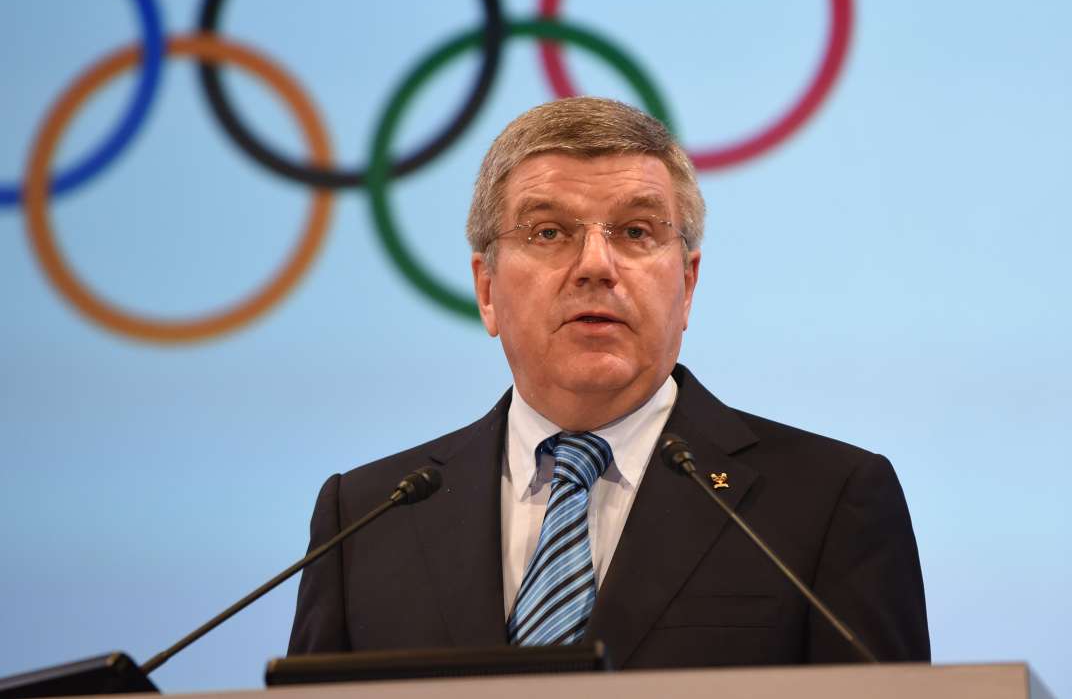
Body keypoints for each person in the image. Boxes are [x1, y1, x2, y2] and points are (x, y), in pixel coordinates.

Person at [288, 97, 930, 668]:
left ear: (687, 285)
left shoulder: (826, 504)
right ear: (486, 289)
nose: (596, 265)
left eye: (636, 232)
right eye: (548, 232)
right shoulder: (367, 518)